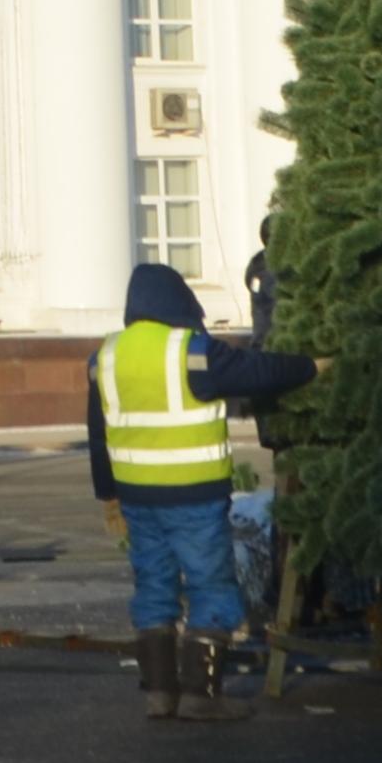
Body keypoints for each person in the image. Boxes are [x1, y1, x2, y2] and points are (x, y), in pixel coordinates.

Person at [94, 261, 314, 724]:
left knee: (154, 587)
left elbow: (97, 431)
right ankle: (201, 696)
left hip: (138, 498)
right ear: (181, 302)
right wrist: (310, 366)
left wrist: (107, 495)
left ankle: (159, 694)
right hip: (191, 496)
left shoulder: (107, 356)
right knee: (211, 586)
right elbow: (256, 371)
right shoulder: (191, 352)